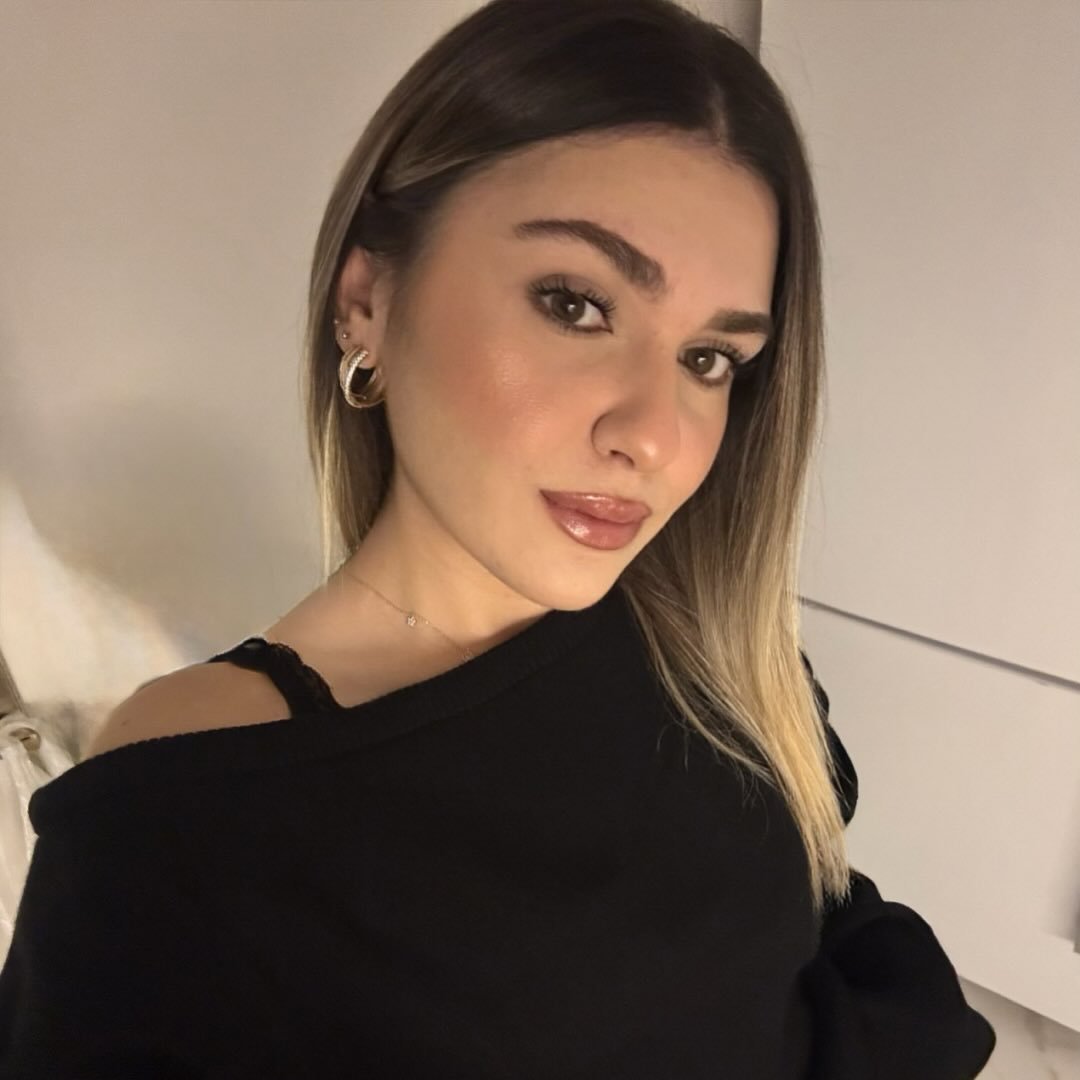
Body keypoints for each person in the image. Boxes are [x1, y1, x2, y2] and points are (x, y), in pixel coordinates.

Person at [0, 0, 996, 1076]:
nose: (656, 437)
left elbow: (819, 916)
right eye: (575, 305)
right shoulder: (190, 799)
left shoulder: (708, 645)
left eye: (710, 359)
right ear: (367, 302)